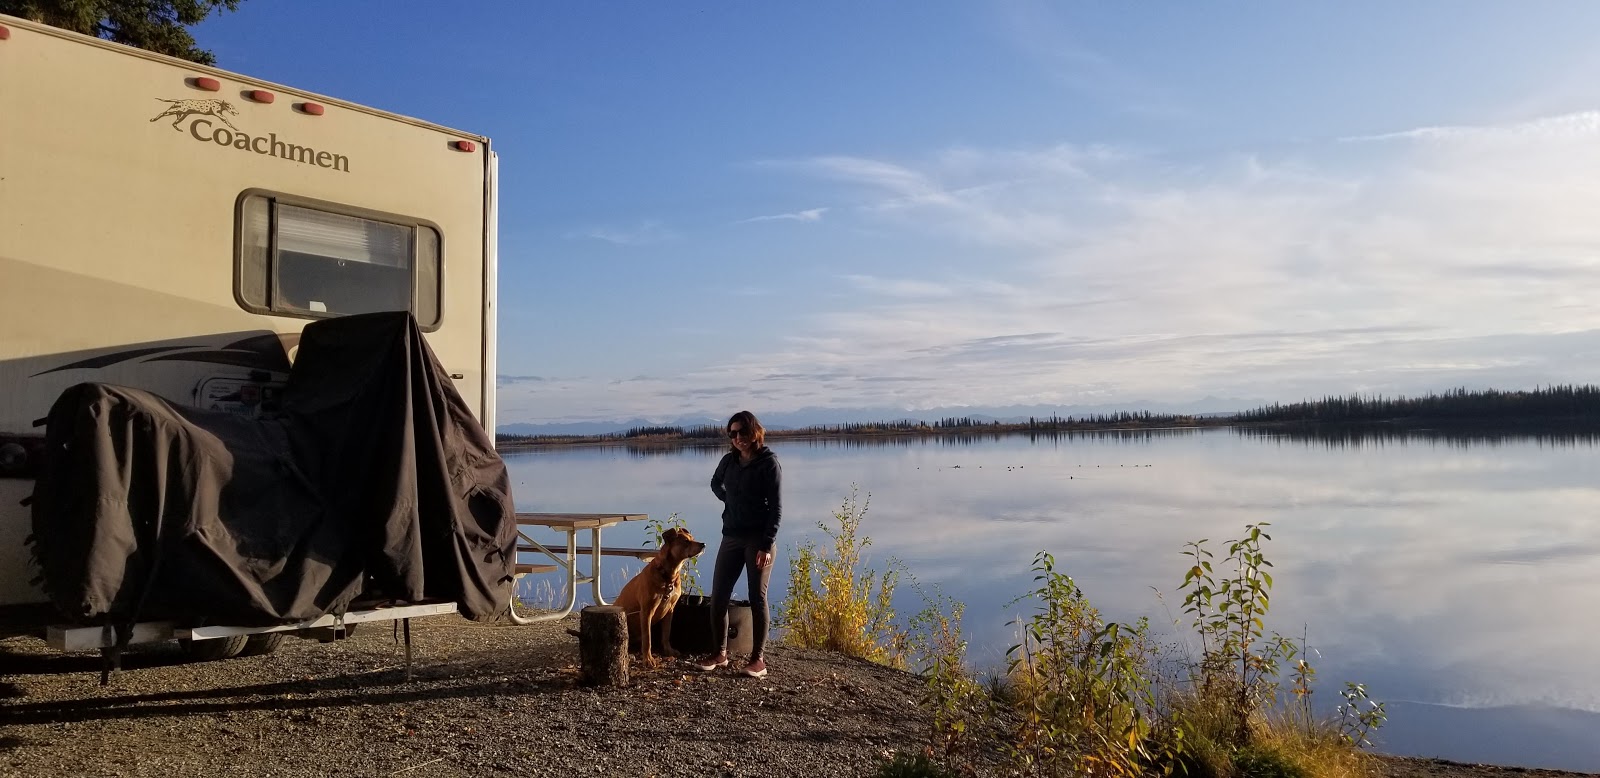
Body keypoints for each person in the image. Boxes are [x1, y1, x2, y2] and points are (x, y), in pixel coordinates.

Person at [691, 410, 781, 678]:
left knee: (757, 598)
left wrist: (766, 544)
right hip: (731, 536)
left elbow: (776, 509)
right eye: (732, 433)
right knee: (719, 596)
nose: (738, 437)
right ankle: (719, 653)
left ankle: (758, 660)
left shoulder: (769, 463)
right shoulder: (728, 461)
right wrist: (729, 500)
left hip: (758, 540)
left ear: (754, 432)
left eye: (742, 432)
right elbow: (715, 483)